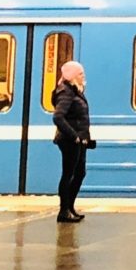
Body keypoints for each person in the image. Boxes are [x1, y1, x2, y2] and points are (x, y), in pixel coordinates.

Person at [50, 59, 94, 224]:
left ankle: (70, 207)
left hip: (79, 141)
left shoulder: (75, 91)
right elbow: (58, 117)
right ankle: (64, 211)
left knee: (80, 173)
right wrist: (74, 136)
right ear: (73, 75)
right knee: (68, 174)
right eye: (80, 73)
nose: (83, 76)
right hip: (70, 141)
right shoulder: (66, 92)